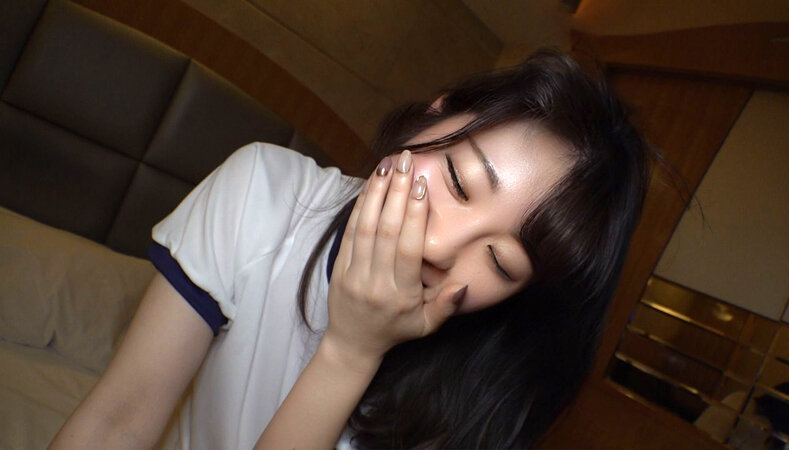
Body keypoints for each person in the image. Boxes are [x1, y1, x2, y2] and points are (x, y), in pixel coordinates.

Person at [50, 48, 656, 449]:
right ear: (435, 116)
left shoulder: (488, 394)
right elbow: (118, 421)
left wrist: (350, 352)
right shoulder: (265, 193)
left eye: (500, 262)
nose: (438, 244)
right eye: (457, 181)